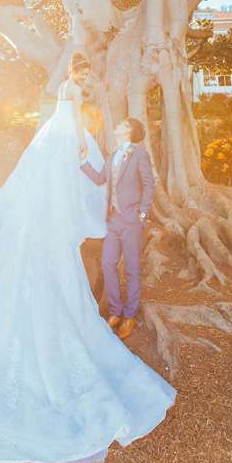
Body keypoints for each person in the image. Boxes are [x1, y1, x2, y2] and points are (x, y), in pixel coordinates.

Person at [0, 54, 176, 463]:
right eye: (81, 73)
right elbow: (77, 128)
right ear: (74, 74)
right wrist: (83, 141)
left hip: (56, 172)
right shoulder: (69, 102)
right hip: (64, 154)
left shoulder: (56, 125)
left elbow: (71, 143)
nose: (84, 78)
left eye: (85, 74)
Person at [80, 118, 153, 341]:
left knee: (131, 269)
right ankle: (115, 311)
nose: (117, 125)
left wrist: (141, 213)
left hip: (131, 220)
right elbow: (100, 179)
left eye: (121, 124)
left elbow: (149, 183)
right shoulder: (112, 154)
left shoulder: (140, 154)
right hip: (112, 221)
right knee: (107, 263)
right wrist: (82, 162)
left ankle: (130, 316)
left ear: (129, 130)